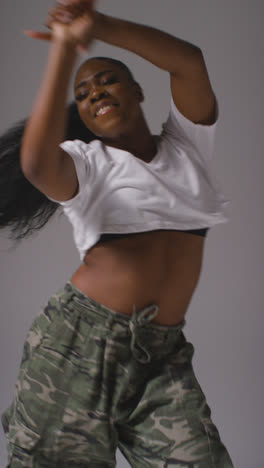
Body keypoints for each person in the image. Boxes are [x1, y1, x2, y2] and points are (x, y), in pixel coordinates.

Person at [1, 0, 234, 466]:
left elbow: (188, 62)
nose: (95, 93)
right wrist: (64, 49)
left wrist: (99, 26)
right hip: (77, 349)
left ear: (137, 90)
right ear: (82, 116)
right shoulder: (87, 164)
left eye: (107, 80)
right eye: (83, 93)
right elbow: (35, 164)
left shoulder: (188, 147)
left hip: (161, 357)